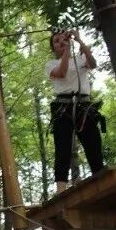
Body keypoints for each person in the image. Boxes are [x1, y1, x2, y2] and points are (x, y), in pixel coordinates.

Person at [45, 29, 105, 194]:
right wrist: (67, 51)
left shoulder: (80, 59)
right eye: (56, 41)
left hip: (83, 106)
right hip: (62, 106)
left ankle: (101, 184)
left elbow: (93, 64)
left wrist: (79, 40)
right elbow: (62, 73)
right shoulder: (51, 64)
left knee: (93, 145)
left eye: (63, 39)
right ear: (53, 48)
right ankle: (61, 190)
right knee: (62, 147)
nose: (61, 42)